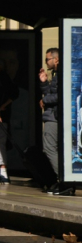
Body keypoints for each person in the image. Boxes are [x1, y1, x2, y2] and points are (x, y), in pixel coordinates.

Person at [38, 48, 74, 195]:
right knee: (55, 149)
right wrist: (44, 83)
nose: (46, 62)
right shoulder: (57, 74)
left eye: (48, 59)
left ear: (56, 59)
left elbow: (61, 95)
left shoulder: (62, 74)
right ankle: (63, 182)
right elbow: (51, 93)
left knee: (49, 148)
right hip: (53, 115)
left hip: (54, 117)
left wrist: (44, 100)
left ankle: (64, 181)